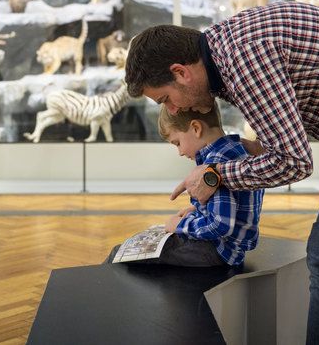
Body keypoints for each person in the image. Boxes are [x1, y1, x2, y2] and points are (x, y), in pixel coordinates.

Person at [124, 2, 319, 344]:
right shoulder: (226, 50)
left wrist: (214, 175)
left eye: (165, 99)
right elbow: (277, 138)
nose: (174, 109)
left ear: (181, 72)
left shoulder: (244, 63)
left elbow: (294, 161)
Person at [105, 104, 264, 267]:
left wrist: (179, 225)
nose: (180, 152)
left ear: (196, 128)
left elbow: (220, 225)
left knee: (119, 253)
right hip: (232, 251)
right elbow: (234, 206)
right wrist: (200, 211)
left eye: (177, 143)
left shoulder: (215, 162)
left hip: (217, 251)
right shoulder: (236, 150)